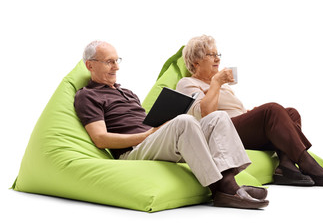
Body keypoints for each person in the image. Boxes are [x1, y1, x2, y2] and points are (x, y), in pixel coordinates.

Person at [74, 40, 269, 209]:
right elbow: (100, 139)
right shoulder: (87, 95)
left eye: (117, 61)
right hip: (133, 150)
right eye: (109, 62)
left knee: (218, 117)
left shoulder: (127, 92)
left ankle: (229, 182)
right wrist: (146, 135)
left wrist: (161, 124)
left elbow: (143, 123)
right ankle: (224, 189)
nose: (116, 67)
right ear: (90, 65)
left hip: (152, 138)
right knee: (184, 121)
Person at [176, 35, 323, 187]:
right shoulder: (187, 83)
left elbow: (234, 110)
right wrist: (217, 82)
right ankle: (305, 161)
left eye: (217, 54)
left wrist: (249, 113)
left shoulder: (223, 86)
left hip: (239, 128)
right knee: (272, 109)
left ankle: (285, 165)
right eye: (211, 55)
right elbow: (205, 114)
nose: (217, 58)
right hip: (222, 131)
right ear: (196, 62)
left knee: (291, 112)